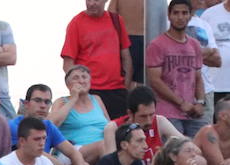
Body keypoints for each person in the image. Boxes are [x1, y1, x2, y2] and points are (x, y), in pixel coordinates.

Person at [62, 0, 133, 117]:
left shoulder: (116, 20)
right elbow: (68, 63)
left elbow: (126, 57)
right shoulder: (76, 23)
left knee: (119, 132)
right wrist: (78, 90)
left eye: (96, 0)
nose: (91, 4)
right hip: (89, 90)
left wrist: (125, 87)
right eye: (88, 0)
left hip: (117, 91)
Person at [148, 0, 209, 138]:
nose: (180, 17)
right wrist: (181, 103)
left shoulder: (194, 45)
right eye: (176, 13)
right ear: (169, 16)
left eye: (184, 13)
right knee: (175, 152)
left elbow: (198, 78)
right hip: (167, 113)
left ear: (190, 15)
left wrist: (200, 102)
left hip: (192, 111)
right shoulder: (157, 45)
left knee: (204, 145)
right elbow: (155, 80)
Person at [52, 65, 113, 165]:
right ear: (68, 85)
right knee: (103, 145)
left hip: (103, 147)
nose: (81, 81)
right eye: (76, 78)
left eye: (84, 77)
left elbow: (109, 125)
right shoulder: (61, 101)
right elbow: (51, 124)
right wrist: (74, 98)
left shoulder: (96, 99)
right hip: (73, 150)